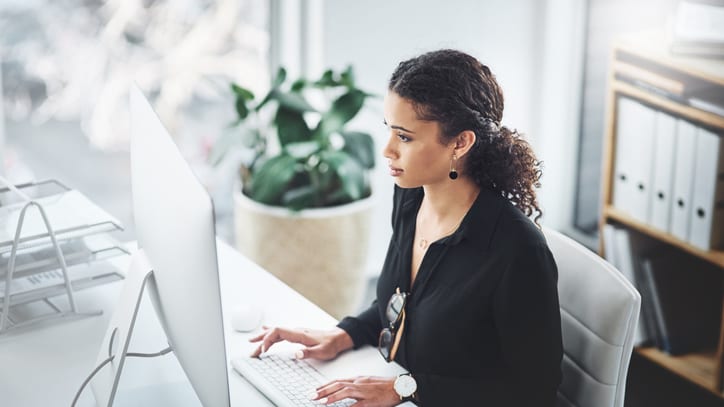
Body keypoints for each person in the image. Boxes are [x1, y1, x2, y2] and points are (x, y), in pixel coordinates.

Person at [249, 49, 563, 406]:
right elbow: (402, 302)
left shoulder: (516, 251)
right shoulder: (411, 198)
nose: (387, 150)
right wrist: (343, 335)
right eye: (389, 130)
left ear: (460, 142)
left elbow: (534, 393)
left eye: (405, 137)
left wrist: (406, 389)